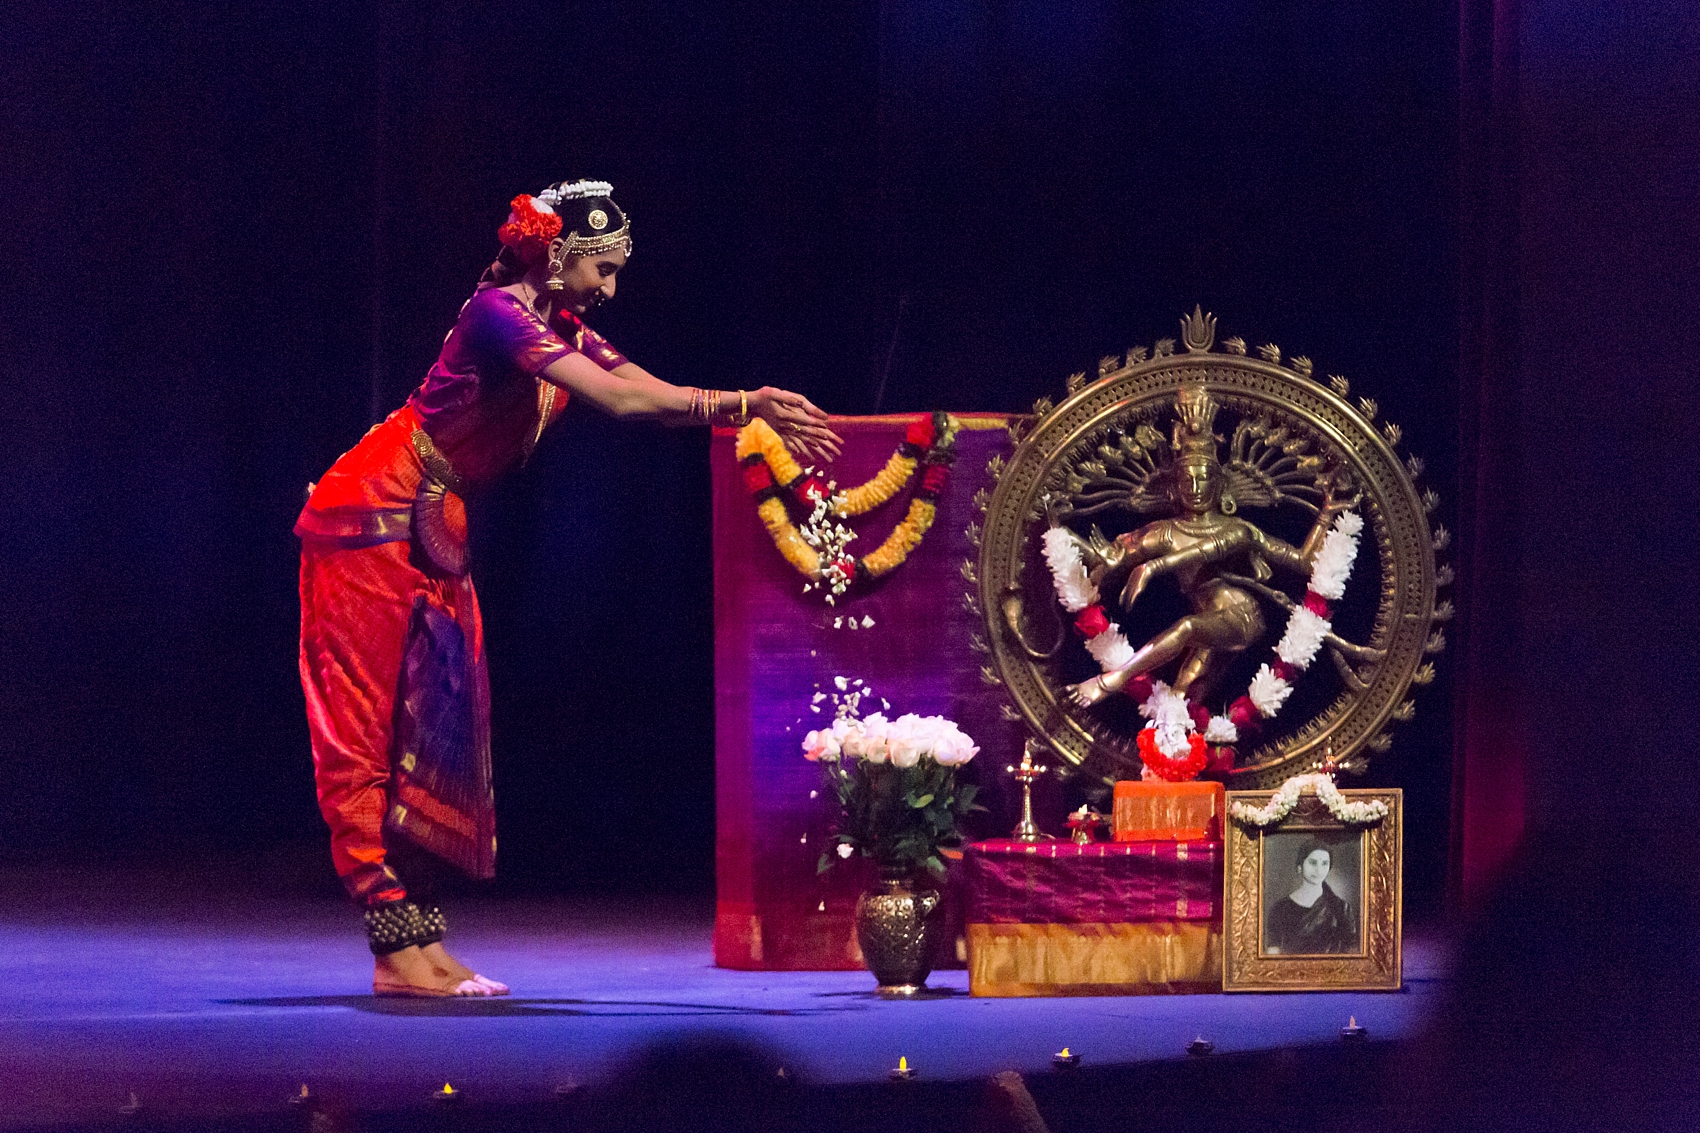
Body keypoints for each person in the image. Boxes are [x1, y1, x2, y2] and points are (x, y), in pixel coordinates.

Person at [296, 180, 840, 997]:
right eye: (603, 269)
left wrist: (743, 411)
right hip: (369, 517)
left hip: (428, 521)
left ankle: (418, 942)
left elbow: (648, 396)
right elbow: (619, 399)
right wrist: (741, 401)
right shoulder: (498, 317)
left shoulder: (558, 324)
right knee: (365, 735)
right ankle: (392, 940)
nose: (611, 289)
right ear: (556, 256)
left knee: (432, 728)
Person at [1263, 839, 1357, 954]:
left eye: (1324, 863)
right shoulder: (1280, 909)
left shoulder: (1341, 908)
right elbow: (1273, 953)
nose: (1319, 870)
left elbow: (1350, 954)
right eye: (1312, 863)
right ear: (1300, 866)